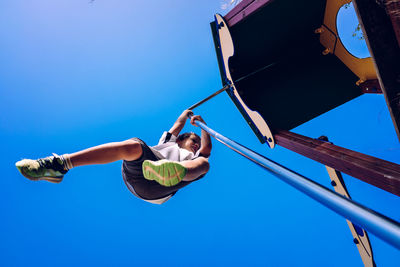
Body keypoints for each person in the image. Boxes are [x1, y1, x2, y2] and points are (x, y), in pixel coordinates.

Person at [15, 110, 212, 204]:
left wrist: (202, 126)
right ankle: (60, 165)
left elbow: (207, 148)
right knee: (134, 146)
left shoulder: (196, 155)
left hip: (159, 189)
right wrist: (186, 115)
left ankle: (172, 172)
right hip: (144, 170)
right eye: (191, 140)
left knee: (204, 164)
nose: (195, 144)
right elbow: (177, 126)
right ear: (180, 141)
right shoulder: (168, 142)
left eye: (196, 142)